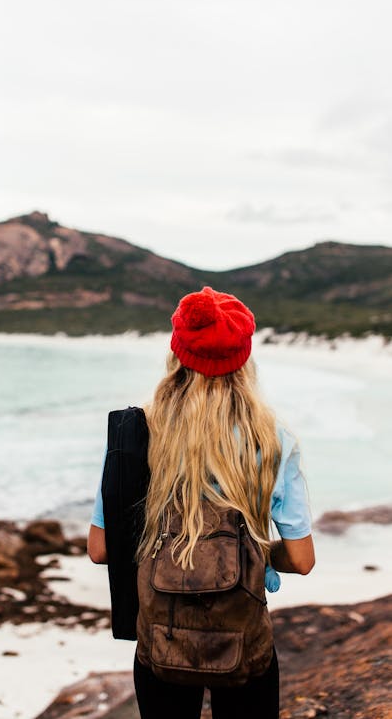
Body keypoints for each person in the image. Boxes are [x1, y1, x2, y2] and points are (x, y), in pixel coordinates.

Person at [88, 286, 315, 719]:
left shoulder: (133, 432)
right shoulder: (273, 440)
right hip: (243, 637)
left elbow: (101, 550)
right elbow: (302, 560)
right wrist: (242, 554)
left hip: (160, 637)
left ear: (176, 353)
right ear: (244, 359)